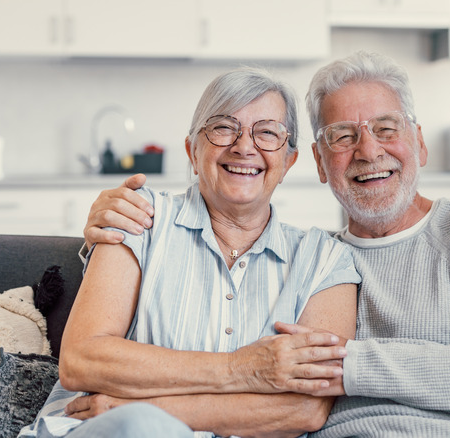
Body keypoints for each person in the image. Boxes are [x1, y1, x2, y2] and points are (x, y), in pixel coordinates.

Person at [84, 51, 450, 437]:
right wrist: (103, 234)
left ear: (419, 143)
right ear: (319, 163)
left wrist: (349, 366)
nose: (368, 151)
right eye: (342, 136)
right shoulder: (317, 259)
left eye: (386, 128)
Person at [21, 67, 361, 438]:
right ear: (192, 151)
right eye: (223, 127)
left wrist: (143, 406)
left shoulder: (326, 260)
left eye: (267, 132)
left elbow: (305, 409)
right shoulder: (140, 218)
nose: (244, 147)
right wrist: (243, 369)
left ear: (289, 162)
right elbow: (83, 360)